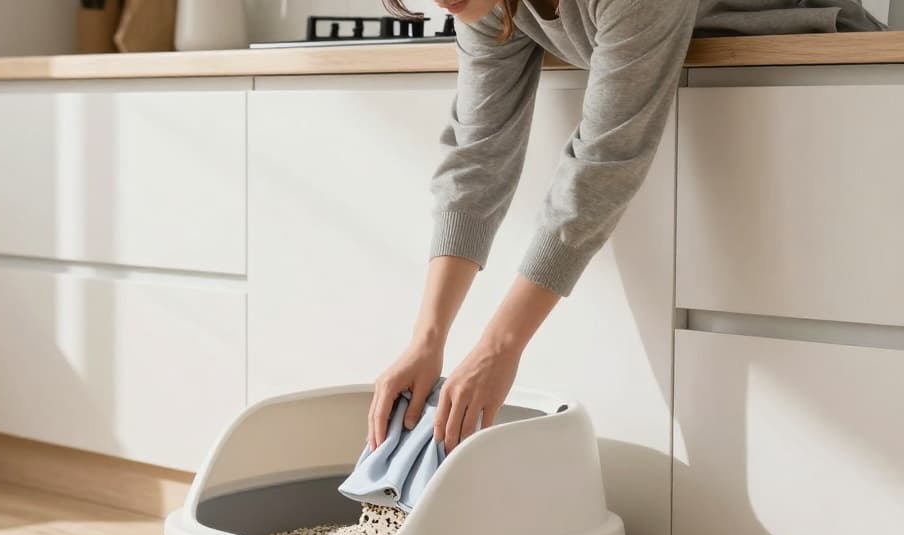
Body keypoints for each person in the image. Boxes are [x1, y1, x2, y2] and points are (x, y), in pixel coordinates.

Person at [368, 0, 883, 453]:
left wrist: (498, 347)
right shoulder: (485, 5)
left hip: (799, 75)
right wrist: (426, 340)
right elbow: (476, 159)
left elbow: (601, 165)